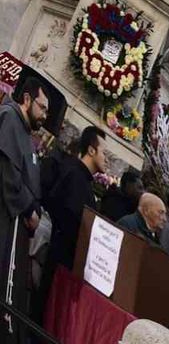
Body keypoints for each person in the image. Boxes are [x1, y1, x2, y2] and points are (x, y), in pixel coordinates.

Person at [37, 125, 107, 315]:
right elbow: (70, 220)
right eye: (103, 152)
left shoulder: (81, 178)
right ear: (91, 150)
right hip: (59, 264)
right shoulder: (75, 175)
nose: (106, 158)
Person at [0, 76, 47, 344]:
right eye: (41, 107)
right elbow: (7, 172)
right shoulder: (9, 117)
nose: (44, 115)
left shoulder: (26, 132)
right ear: (26, 100)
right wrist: (28, 209)